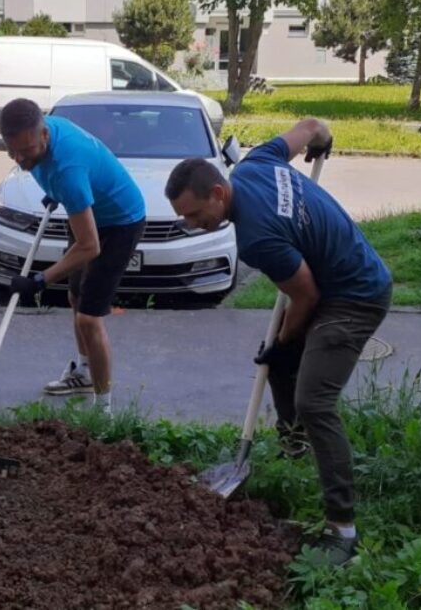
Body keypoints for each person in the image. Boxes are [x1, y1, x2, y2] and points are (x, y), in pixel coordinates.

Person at [164, 118, 391, 565]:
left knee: (314, 400)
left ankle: (342, 529)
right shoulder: (256, 163)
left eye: (194, 214)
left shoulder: (255, 238)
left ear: (218, 194)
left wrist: (287, 341)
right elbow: (308, 126)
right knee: (281, 360)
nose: (193, 225)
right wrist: (323, 139)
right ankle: (295, 447)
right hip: (330, 280)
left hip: (355, 296)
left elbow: (305, 294)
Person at [0, 98, 146, 414]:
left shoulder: (68, 171)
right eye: (13, 151)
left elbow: (90, 246)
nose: (20, 159)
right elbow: (68, 173)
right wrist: (56, 189)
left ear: (45, 137)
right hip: (89, 211)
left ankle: (103, 408)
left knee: (89, 317)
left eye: (27, 150)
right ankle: (83, 373)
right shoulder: (45, 137)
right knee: (76, 297)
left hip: (120, 222)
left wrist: (39, 280)